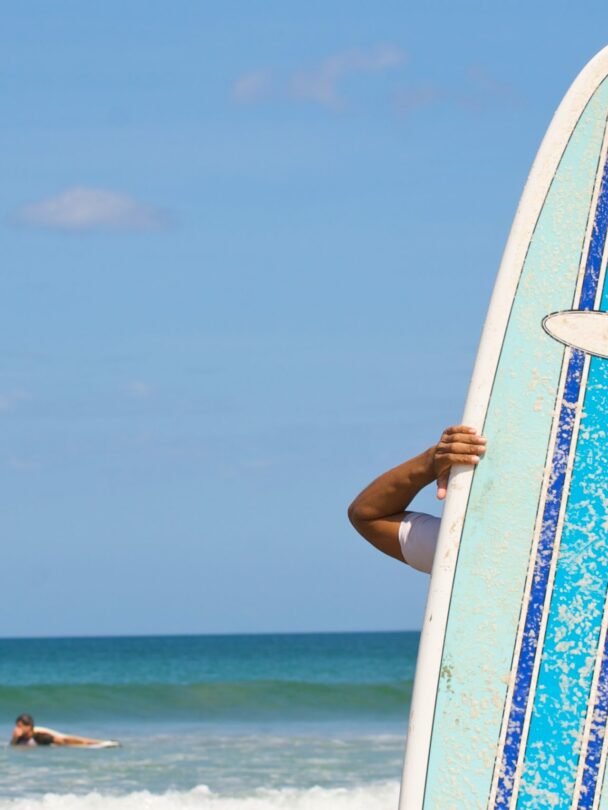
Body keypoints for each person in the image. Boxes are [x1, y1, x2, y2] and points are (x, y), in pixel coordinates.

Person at [348, 425, 486, 573]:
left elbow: (366, 517)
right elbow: (366, 515)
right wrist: (434, 460)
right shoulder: (472, 544)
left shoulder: (471, 545)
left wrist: (432, 462)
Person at [10, 713, 111, 747]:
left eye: (20, 726)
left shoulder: (40, 735)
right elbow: (13, 747)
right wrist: (14, 738)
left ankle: (99, 742)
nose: (17, 728)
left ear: (28, 726)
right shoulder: (18, 737)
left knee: (66, 739)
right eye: (17, 725)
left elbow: (63, 741)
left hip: (50, 735)